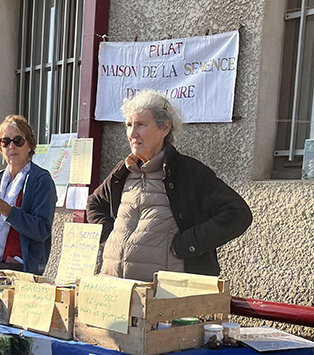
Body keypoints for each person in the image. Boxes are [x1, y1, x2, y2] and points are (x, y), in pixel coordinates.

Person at [87, 90, 253, 281]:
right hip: (116, 289)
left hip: (166, 294)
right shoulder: (123, 172)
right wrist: (111, 237)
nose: (132, 133)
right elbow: (94, 203)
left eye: (141, 124)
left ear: (165, 128)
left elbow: (237, 213)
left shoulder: (188, 172)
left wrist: (189, 244)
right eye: (129, 125)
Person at [0, 115, 57, 275]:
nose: (11, 146)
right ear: (0, 148)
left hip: (22, 270)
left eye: (18, 141)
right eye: (5, 141)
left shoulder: (41, 180)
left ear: (29, 145)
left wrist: (7, 210)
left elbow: (41, 230)